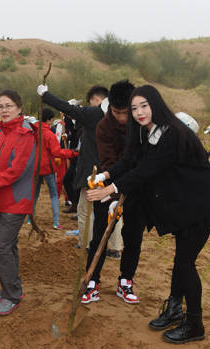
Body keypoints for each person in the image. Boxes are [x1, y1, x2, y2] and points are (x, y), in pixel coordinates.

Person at [86, 85, 210, 344]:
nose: (139, 113)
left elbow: (147, 170)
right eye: (134, 108)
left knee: (185, 264)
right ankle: (174, 309)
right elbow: (129, 161)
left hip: (200, 206)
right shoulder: (144, 132)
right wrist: (104, 176)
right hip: (183, 207)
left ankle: (195, 324)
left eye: (144, 106)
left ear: (156, 105)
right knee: (181, 261)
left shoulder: (172, 134)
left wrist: (111, 190)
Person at [80, 80, 143, 305]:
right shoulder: (104, 126)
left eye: (126, 112)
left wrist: (127, 188)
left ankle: (126, 281)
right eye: (117, 112)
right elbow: (110, 162)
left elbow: (142, 164)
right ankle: (92, 281)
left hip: (137, 188)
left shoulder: (142, 124)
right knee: (100, 235)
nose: (122, 118)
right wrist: (113, 196)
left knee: (133, 237)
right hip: (108, 187)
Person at [0, 90, 36, 316]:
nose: (4, 110)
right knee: (7, 247)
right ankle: (9, 288)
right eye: (0, 106)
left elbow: (15, 172)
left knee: (1, 246)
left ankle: (12, 296)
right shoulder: (0, 132)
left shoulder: (25, 134)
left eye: (9, 106)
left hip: (17, 200)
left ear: (19, 108)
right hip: (0, 199)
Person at [37, 84, 108, 249]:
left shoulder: (95, 113)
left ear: (96, 99)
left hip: (93, 170)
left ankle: (86, 244)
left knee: (85, 210)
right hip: (110, 171)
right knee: (107, 210)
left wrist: (46, 94)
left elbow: (68, 108)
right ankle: (112, 247)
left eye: (91, 102)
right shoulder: (118, 115)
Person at [32, 108, 78, 229]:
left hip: (35, 166)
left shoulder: (33, 132)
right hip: (48, 167)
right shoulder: (48, 134)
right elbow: (56, 152)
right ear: (48, 119)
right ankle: (56, 222)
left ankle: (30, 219)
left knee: (35, 194)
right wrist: (72, 153)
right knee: (53, 194)